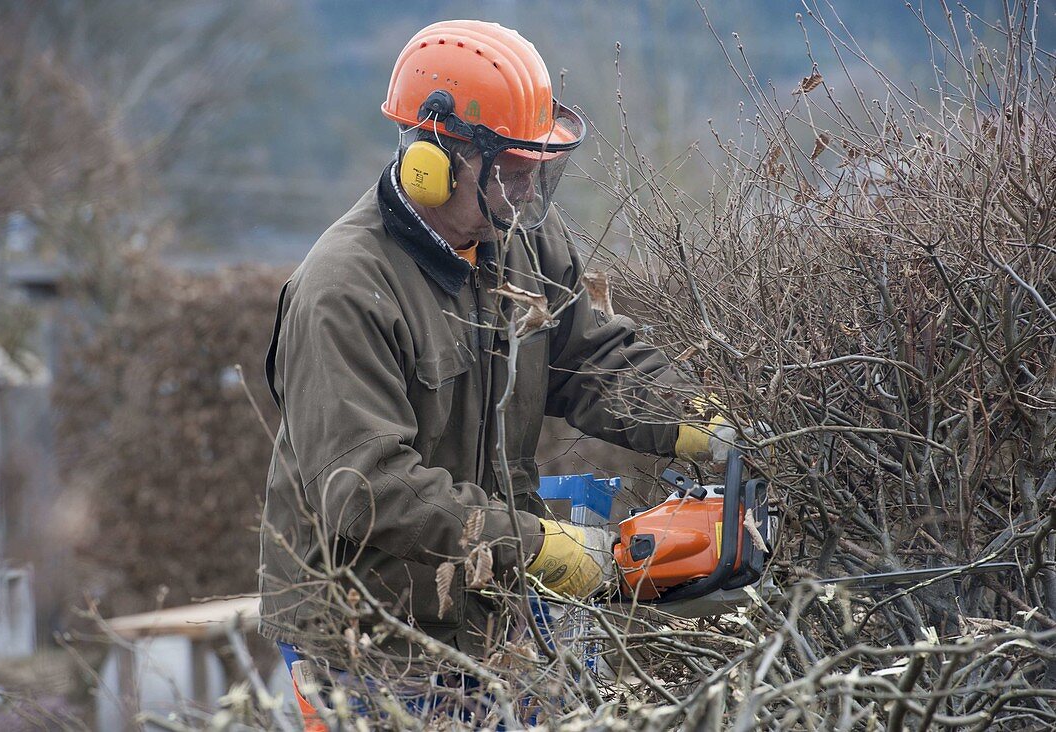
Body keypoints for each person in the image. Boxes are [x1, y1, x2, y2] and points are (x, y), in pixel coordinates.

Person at [258, 19, 743, 727]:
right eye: (513, 168)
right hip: (369, 637)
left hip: (491, 606)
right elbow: (365, 491)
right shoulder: (344, 291)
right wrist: (538, 546)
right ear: (435, 160)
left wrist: (696, 420)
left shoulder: (517, 237)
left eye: (538, 166)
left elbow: (591, 359)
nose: (529, 187)